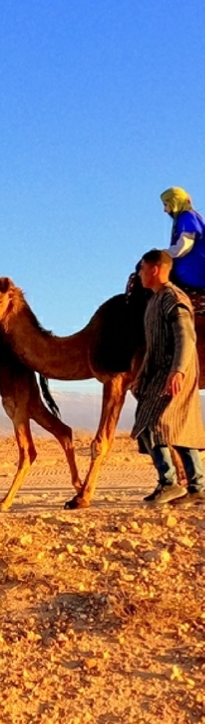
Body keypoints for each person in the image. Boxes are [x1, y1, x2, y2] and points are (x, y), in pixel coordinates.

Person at [132, 248, 205, 505]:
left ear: (154, 269)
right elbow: (152, 346)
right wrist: (141, 376)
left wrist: (178, 370)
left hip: (173, 371)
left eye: (142, 269)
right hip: (159, 371)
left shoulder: (173, 298)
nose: (139, 274)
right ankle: (197, 486)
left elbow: (186, 336)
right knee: (177, 426)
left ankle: (169, 483)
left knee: (154, 424)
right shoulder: (155, 300)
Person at [161, 186, 205, 289]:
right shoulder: (190, 217)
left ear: (174, 203)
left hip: (192, 270)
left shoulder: (187, 217)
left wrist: (163, 254)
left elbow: (184, 247)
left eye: (166, 205)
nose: (165, 210)